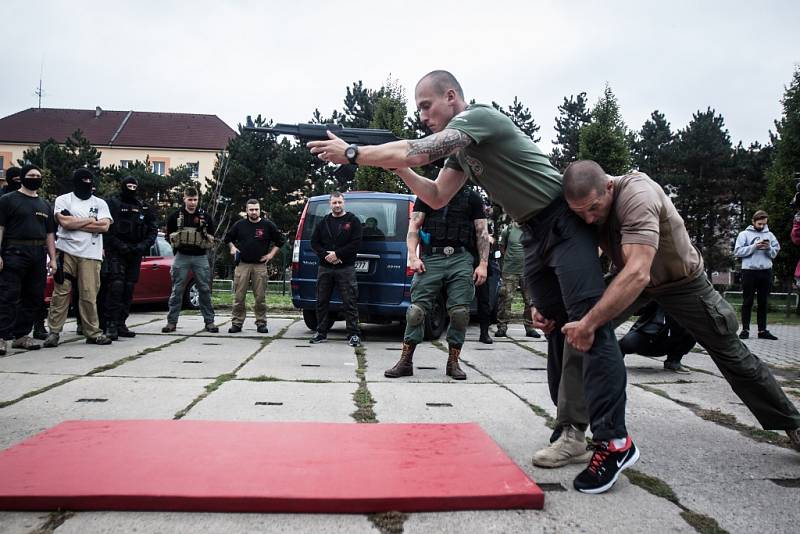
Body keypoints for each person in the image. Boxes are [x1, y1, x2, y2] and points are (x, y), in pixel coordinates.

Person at [308, 70, 634, 494]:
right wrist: (395, 163)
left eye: (426, 106)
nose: (422, 114)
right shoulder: (461, 151)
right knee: (555, 329)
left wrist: (354, 152)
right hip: (534, 231)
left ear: (451, 97)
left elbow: (422, 151)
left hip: (563, 221)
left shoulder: (478, 118)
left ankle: (615, 440)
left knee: (591, 324)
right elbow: (437, 195)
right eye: (419, 108)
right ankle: (573, 432)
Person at [550, 160, 800, 459]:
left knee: (732, 354)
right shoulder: (586, 204)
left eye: (593, 209)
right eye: (580, 213)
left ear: (609, 186)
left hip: (681, 282)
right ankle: (571, 433)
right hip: (636, 279)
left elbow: (637, 271)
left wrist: (591, 321)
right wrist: (549, 305)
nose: (589, 220)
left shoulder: (637, 196)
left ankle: (792, 423)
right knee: (576, 332)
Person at [384, 184, 489, 380]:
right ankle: (405, 362)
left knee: (459, 313)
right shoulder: (427, 193)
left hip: (461, 258)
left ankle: (453, 362)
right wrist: (413, 257)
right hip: (431, 258)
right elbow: (414, 226)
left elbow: (481, 232)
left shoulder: (472, 197)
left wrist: (483, 264)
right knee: (415, 312)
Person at [44, 168, 113, 347]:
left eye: (90, 181)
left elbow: (105, 227)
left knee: (89, 295)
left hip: (91, 255)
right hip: (66, 252)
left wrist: (75, 223)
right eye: (83, 181)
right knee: (60, 294)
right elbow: (64, 222)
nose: (87, 185)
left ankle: (93, 332)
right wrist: (91, 221)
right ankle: (54, 332)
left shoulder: (100, 203)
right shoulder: (63, 199)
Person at [0, 164, 57, 355]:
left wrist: (52, 258)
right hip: (14, 251)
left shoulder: (44, 204)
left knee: (33, 297)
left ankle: (21, 336)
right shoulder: (8, 200)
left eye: (38, 175)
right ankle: (1, 337)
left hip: (37, 253)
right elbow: (0, 228)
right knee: (8, 295)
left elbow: (50, 233)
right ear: (23, 177)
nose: (35, 178)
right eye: (31, 175)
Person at [100, 176, 157, 340]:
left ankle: (121, 323)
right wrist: (119, 245)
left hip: (136, 252)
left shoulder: (143, 207)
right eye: (128, 185)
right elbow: (106, 230)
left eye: (134, 185)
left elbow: (152, 230)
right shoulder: (112, 204)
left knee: (128, 288)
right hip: (117, 251)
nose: (131, 188)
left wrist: (142, 246)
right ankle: (110, 324)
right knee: (115, 286)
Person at [223, 199, 285, 334]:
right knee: (239, 297)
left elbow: (281, 241)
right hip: (242, 265)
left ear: (259, 209)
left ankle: (261, 323)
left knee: (260, 298)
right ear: (247, 210)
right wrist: (232, 248)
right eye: (251, 209)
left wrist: (271, 255)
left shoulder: (268, 225)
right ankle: (237, 323)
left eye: (256, 209)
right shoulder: (239, 225)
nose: (254, 212)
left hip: (260, 266)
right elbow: (227, 239)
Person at [309, 192, 362, 347]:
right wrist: (326, 255)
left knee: (350, 301)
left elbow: (356, 243)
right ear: (329, 204)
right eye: (334, 203)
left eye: (339, 202)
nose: (337, 205)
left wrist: (338, 254)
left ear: (344, 203)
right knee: (321, 301)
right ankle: (321, 332)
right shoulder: (323, 222)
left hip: (345, 267)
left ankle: (353, 335)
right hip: (325, 268)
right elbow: (314, 242)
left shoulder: (353, 221)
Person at [162, 187, 217, 333]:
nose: (193, 203)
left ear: (198, 200)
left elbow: (212, 236)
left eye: (195, 200)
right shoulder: (175, 216)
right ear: (184, 199)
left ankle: (209, 322)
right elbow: (169, 236)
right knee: (177, 290)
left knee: (204, 289)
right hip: (182, 256)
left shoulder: (205, 217)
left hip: (200, 257)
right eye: (190, 199)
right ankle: (171, 322)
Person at [733, 210, 780, 340]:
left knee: (763, 302)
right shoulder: (744, 234)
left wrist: (768, 248)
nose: (761, 226)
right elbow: (737, 251)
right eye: (759, 224)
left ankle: (762, 330)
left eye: (764, 224)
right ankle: (745, 330)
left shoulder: (770, 235)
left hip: (765, 271)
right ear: (753, 222)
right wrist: (754, 246)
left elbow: (775, 253)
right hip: (749, 271)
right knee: (747, 301)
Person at [618, 301, 694, 374]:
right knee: (628, 342)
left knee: (694, 333)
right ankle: (616, 359)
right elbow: (636, 311)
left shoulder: (686, 298)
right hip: (647, 336)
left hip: (670, 340)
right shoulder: (657, 294)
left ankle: (673, 361)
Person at [495, 221, 540, 339]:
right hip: (510, 270)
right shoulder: (508, 230)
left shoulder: (531, 230)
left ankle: (530, 328)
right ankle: (502, 327)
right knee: (506, 298)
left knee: (530, 300)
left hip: (528, 271)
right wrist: (510, 260)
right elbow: (502, 247)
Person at [474, 202, 496, 344]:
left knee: (484, 300)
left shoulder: (489, 223)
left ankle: (484, 333)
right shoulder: (468, 220)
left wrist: (491, 240)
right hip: (467, 260)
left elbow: (491, 239)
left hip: (483, 263)